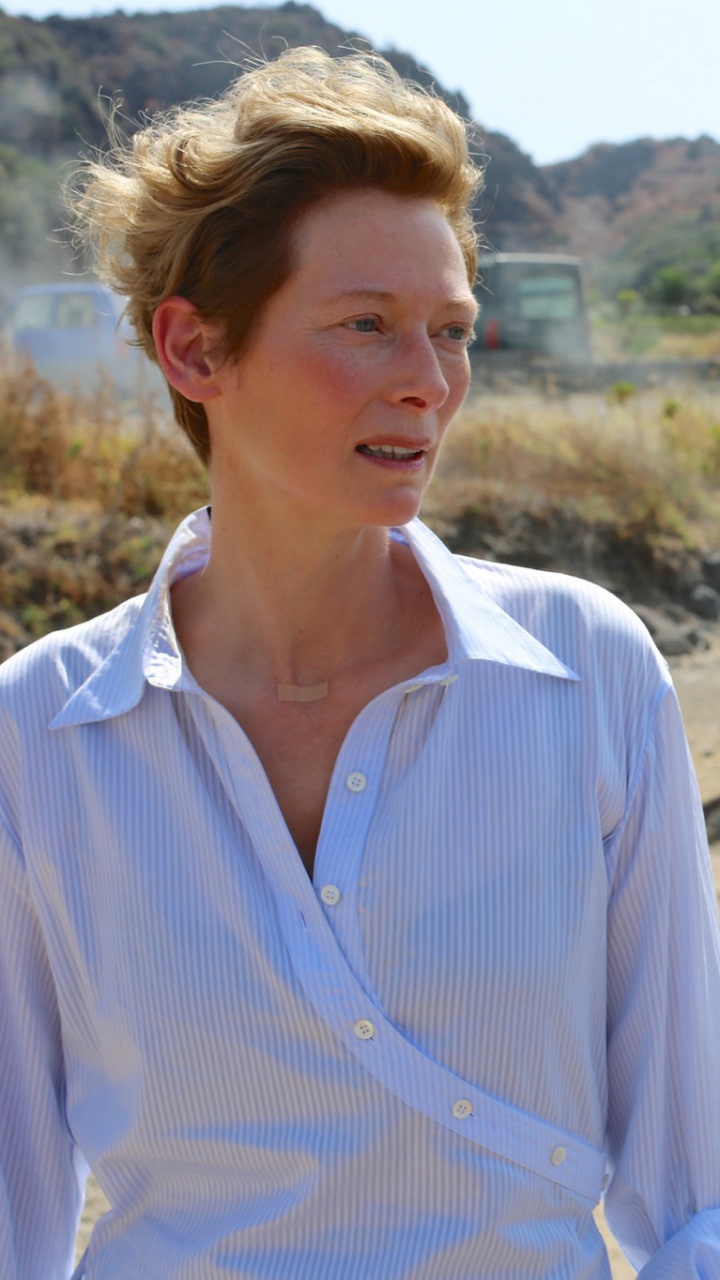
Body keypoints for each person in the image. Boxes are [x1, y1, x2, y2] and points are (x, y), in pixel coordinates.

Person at [0, 46, 719, 1280]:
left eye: (451, 330)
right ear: (194, 352)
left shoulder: (587, 669)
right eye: (367, 326)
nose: (429, 384)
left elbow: (699, 1192)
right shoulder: (38, 734)